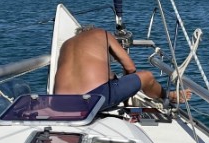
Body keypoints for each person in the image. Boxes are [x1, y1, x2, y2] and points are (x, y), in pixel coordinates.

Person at [52, 26, 187, 109]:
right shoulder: (101, 33)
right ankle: (169, 96)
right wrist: (126, 95)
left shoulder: (66, 44)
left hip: (59, 103)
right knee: (147, 76)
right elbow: (130, 67)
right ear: (92, 30)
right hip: (92, 100)